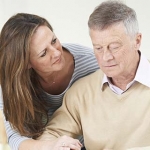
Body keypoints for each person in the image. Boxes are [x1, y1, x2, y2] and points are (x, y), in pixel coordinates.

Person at [38, 0, 150, 149]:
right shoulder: (81, 92)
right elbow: (51, 136)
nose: (105, 57)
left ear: (137, 41)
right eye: (98, 48)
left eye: (114, 47)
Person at [0, 13, 99, 150]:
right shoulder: (14, 84)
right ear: (27, 64)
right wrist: (49, 145)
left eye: (53, 41)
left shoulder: (92, 63)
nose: (56, 53)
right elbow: (16, 138)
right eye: (43, 53)